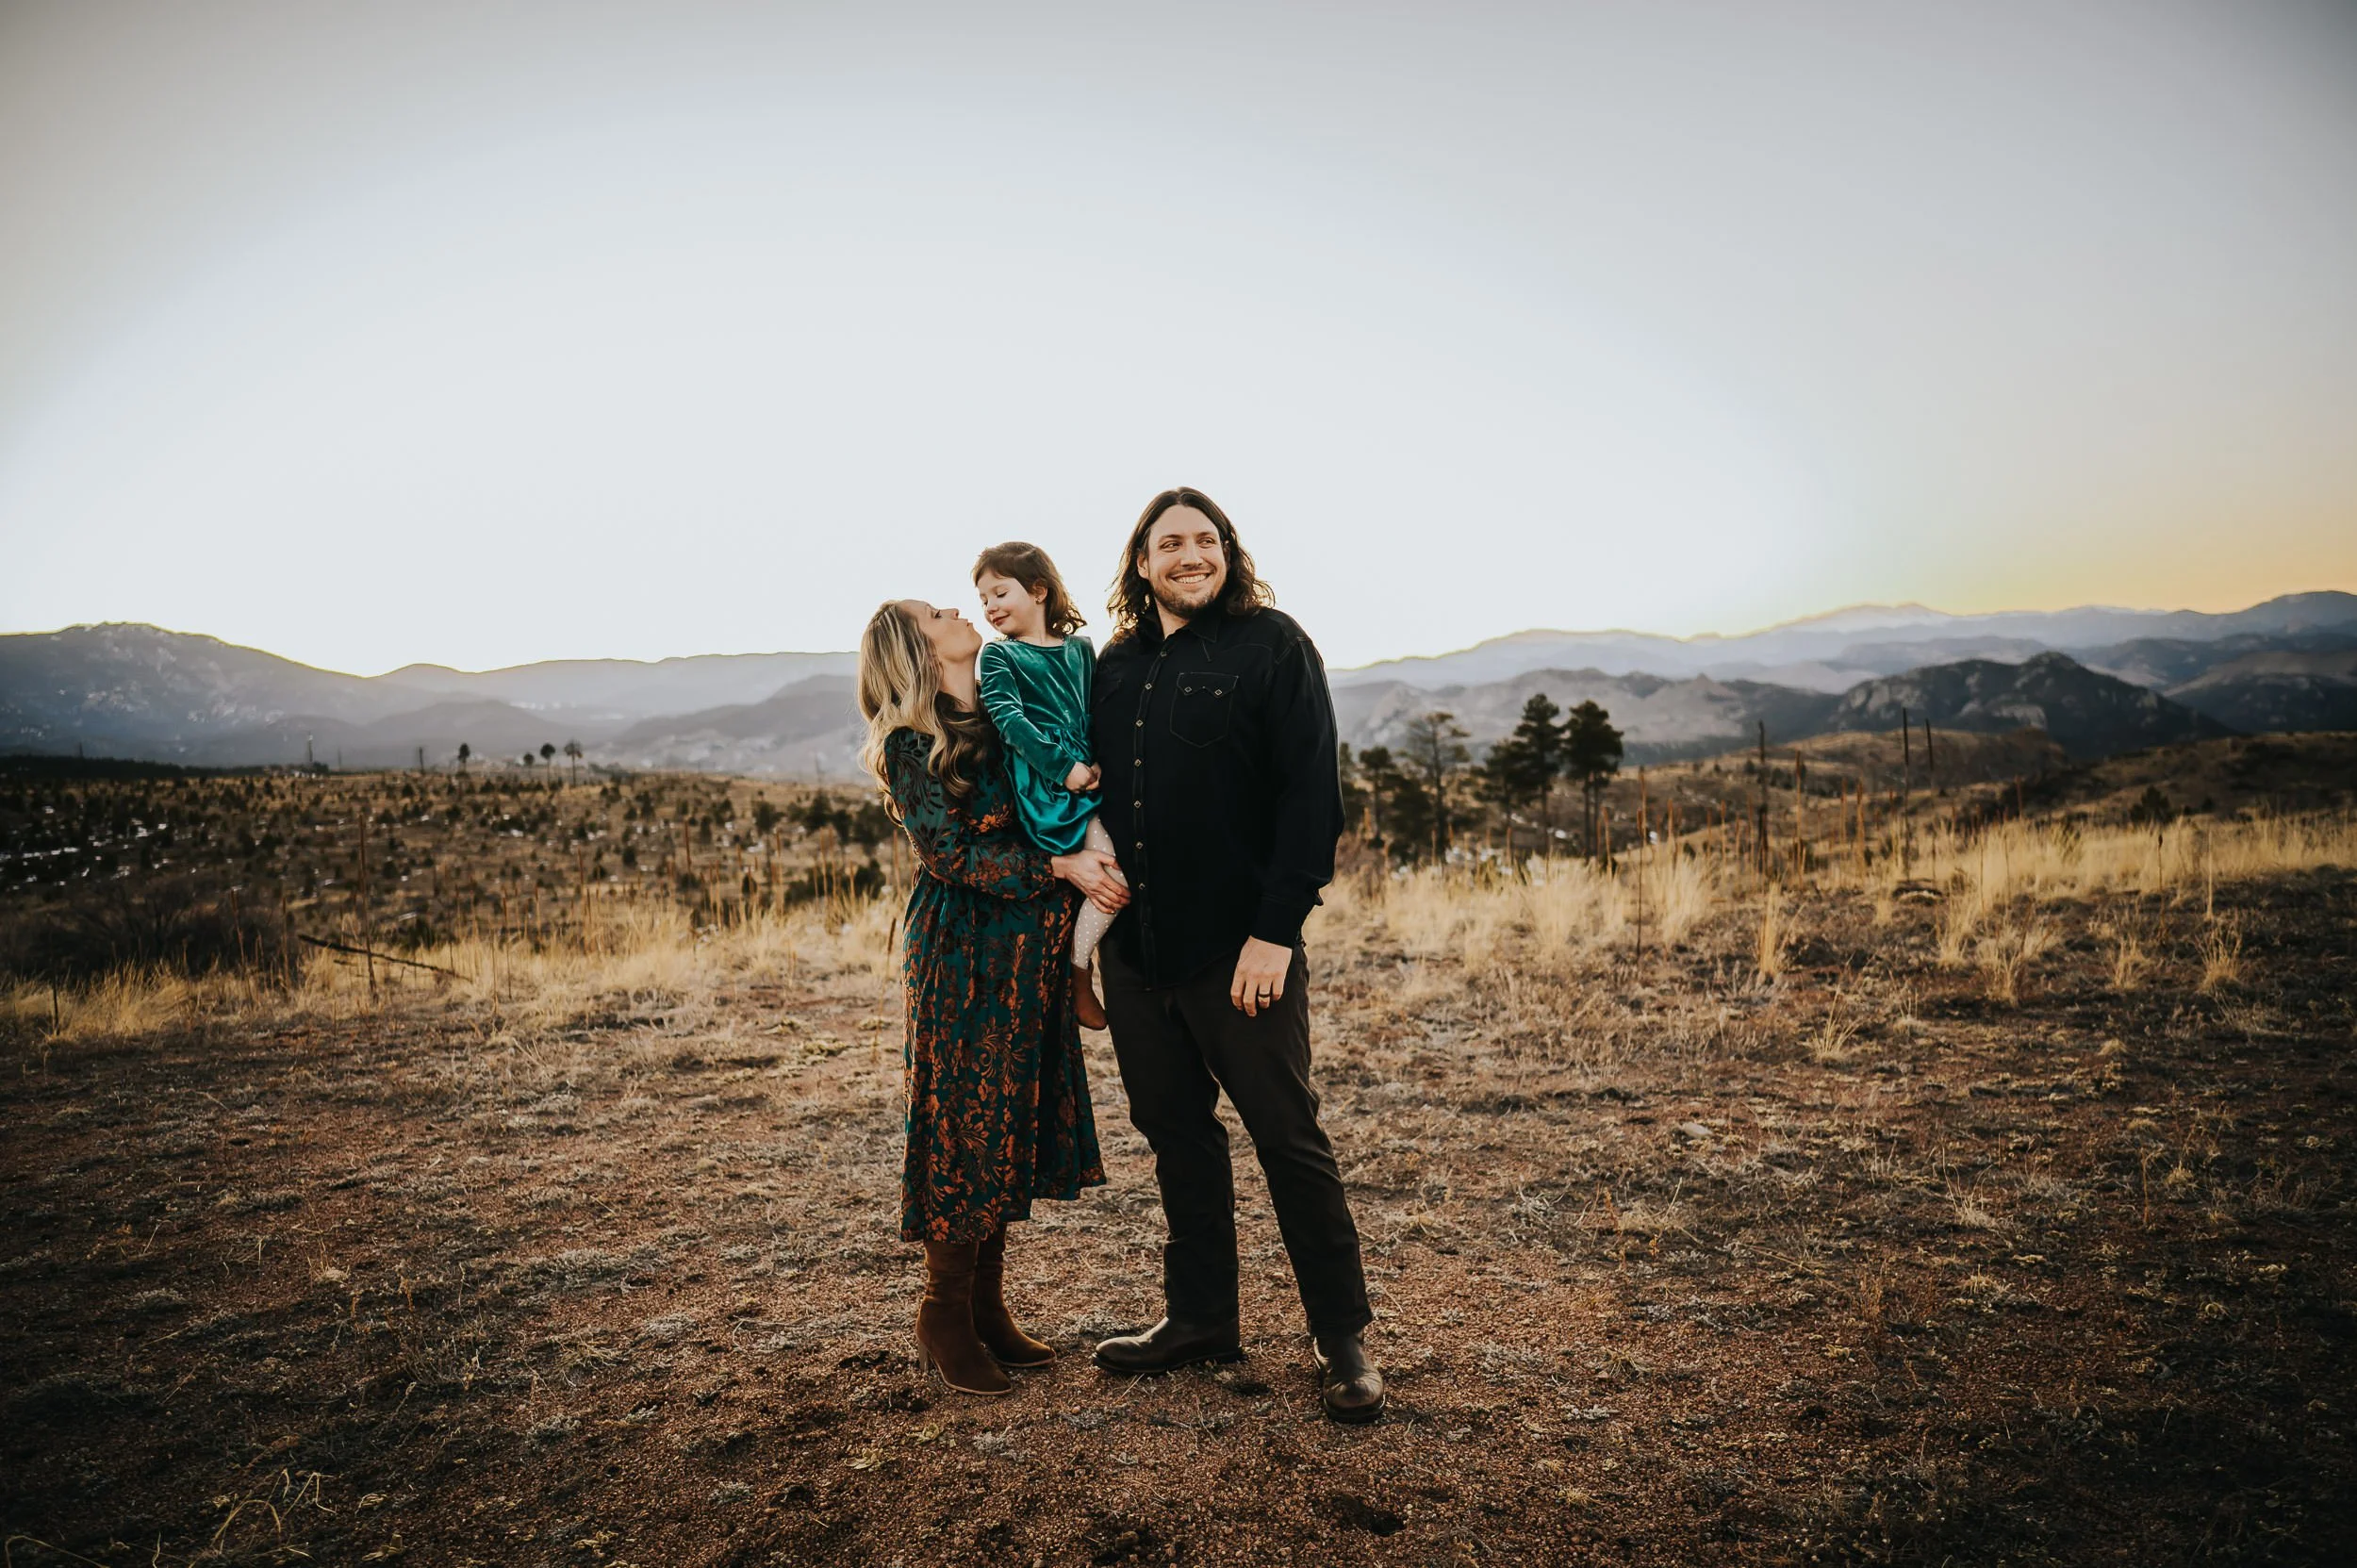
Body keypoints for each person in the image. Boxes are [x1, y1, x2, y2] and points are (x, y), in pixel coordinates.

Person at [1084, 487, 1385, 1424]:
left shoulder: (1272, 644)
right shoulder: (1116, 665)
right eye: (1168, 542)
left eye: (1205, 539)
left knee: (1288, 1141)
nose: (1189, 553)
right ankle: (1201, 1317)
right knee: (1176, 1137)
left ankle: (1342, 1341)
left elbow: (1310, 800)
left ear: (1228, 553)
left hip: (1239, 952)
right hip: (1137, 953)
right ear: (1141, 563)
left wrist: (1276, 933)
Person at [855, 598, 1129, 1396]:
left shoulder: (1005, 713)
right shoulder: (913, 742)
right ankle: (943, 1312)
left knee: (1007, 1115)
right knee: (962, 1123)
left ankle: (985, 1304)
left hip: (1029, 948)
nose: (956, 607)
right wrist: (1059, 869)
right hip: (965, 951)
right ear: (916, 646)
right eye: (935, 611)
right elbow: (950, 854)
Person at [971, 541, 1129, 1032]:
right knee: (1108, 874)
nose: (991, 607)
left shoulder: (1080, 650)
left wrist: (1098, 761)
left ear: (1039, 590)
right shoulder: (999, 656)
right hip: (1047, 786)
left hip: (1091, 779)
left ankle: (1082, 965)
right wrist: (1065, 768)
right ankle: (1078, 973)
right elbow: (1007, 719)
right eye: (983, 600)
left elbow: (1095, 713)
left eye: (1000, 593)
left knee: (1120, 870)